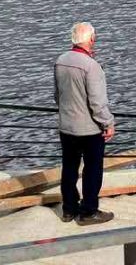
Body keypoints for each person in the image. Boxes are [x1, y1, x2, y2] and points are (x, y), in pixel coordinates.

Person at [54, 22, 116, 226]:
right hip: (89, 130)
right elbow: (97, 103)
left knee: (69, 168)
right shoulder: (91, 66)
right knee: (92, 170)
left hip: (67, 127)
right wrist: (108, 123)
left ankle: (69, 209)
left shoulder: (60, 61)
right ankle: (88, 211)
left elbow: (57, 95)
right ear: (91, 39)